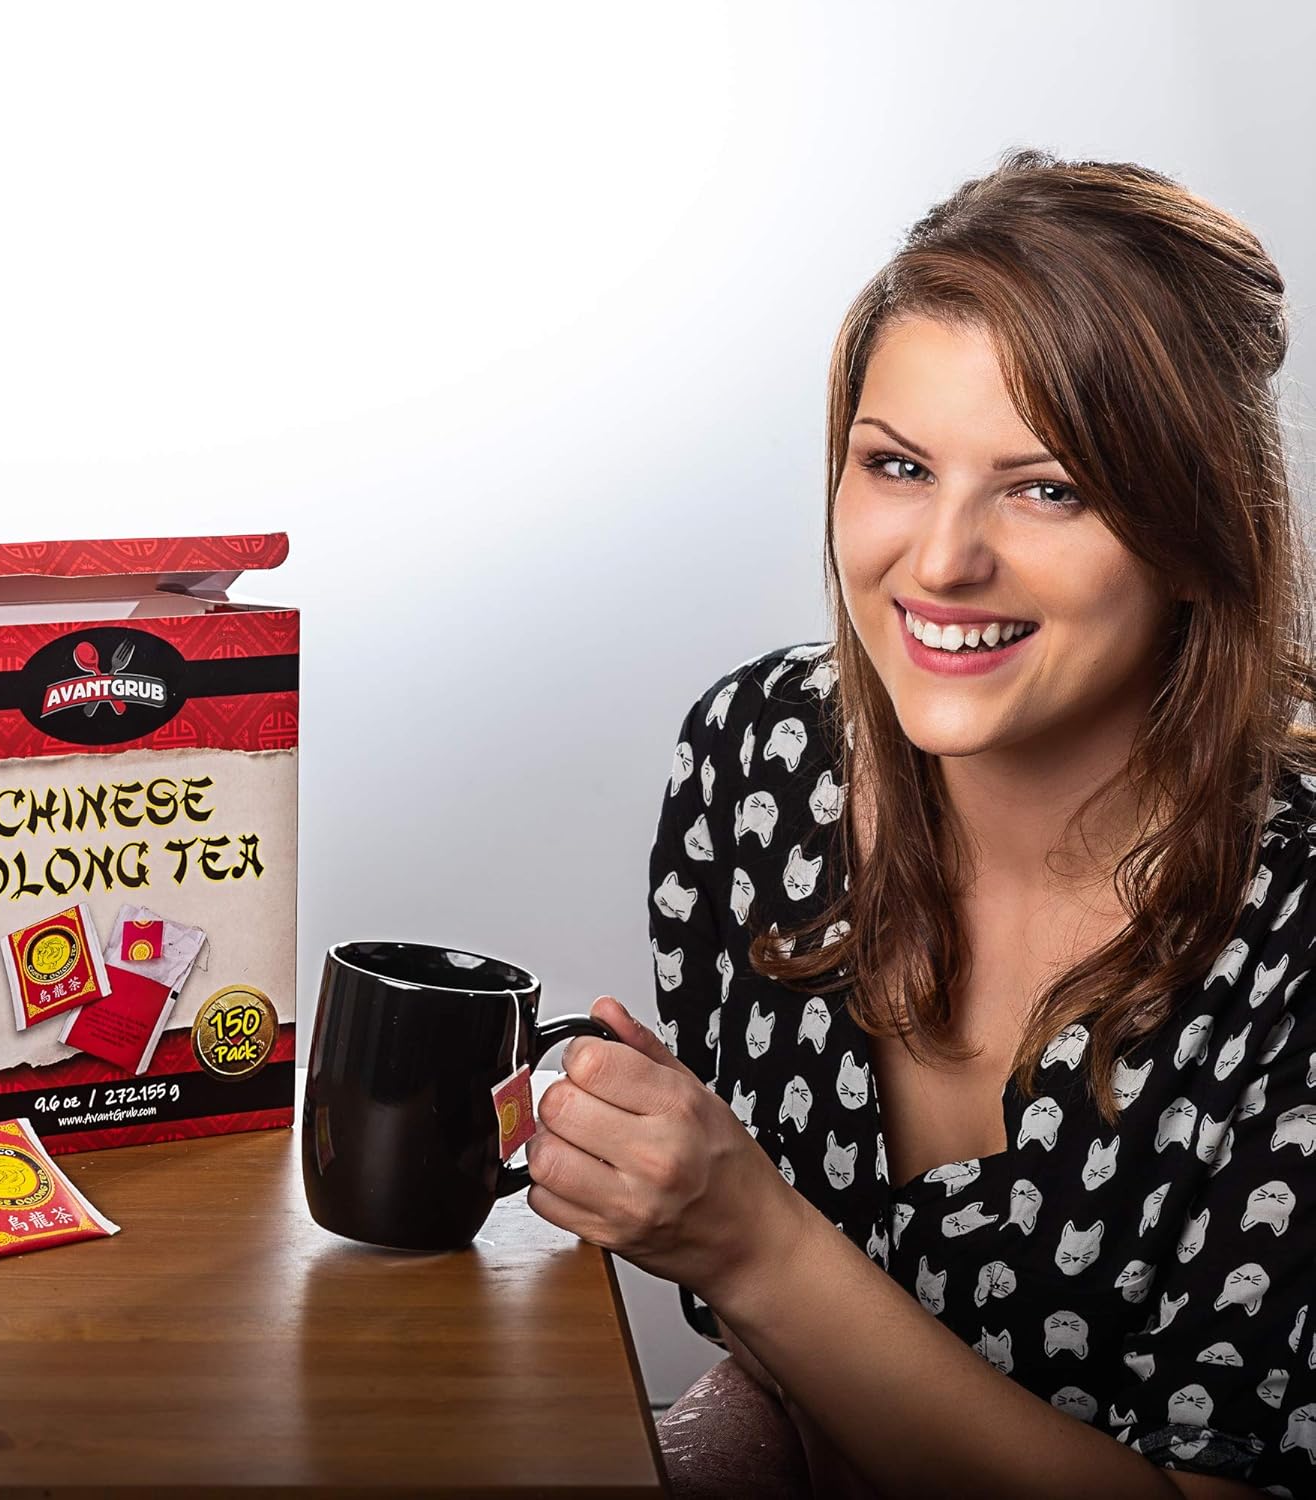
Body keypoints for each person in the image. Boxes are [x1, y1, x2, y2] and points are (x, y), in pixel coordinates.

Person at [520, 147, 1316, 1497]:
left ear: (1195, 534)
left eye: (1048, 488)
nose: (943, 561)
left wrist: (747, 1239)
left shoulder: (1294, 935)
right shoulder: (760, 762)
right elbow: (781, 1369)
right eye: (896, 465)